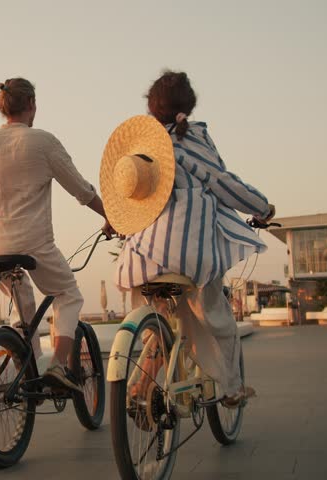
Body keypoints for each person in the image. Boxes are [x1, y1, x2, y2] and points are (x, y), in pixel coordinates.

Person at [106, 71, 274, 408]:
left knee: (158, 320)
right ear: (189, 105)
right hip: (189, 255)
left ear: (152, 110)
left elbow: (126, 202)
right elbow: (223, 183)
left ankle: (143, 384)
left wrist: (114, 221)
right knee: (216, 316)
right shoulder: (192, 139)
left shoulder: (141, 149)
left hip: (139, 258)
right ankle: (230, 387)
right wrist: (262, 206)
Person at [0, 77, 116, 391]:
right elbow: (81, 190)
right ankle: (59, 366)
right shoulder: (42, 141)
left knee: (23, 316)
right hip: (32, 242)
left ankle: (24, 373)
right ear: (32, 105)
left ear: (2, 107)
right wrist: (111, 216)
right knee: (67, 294)